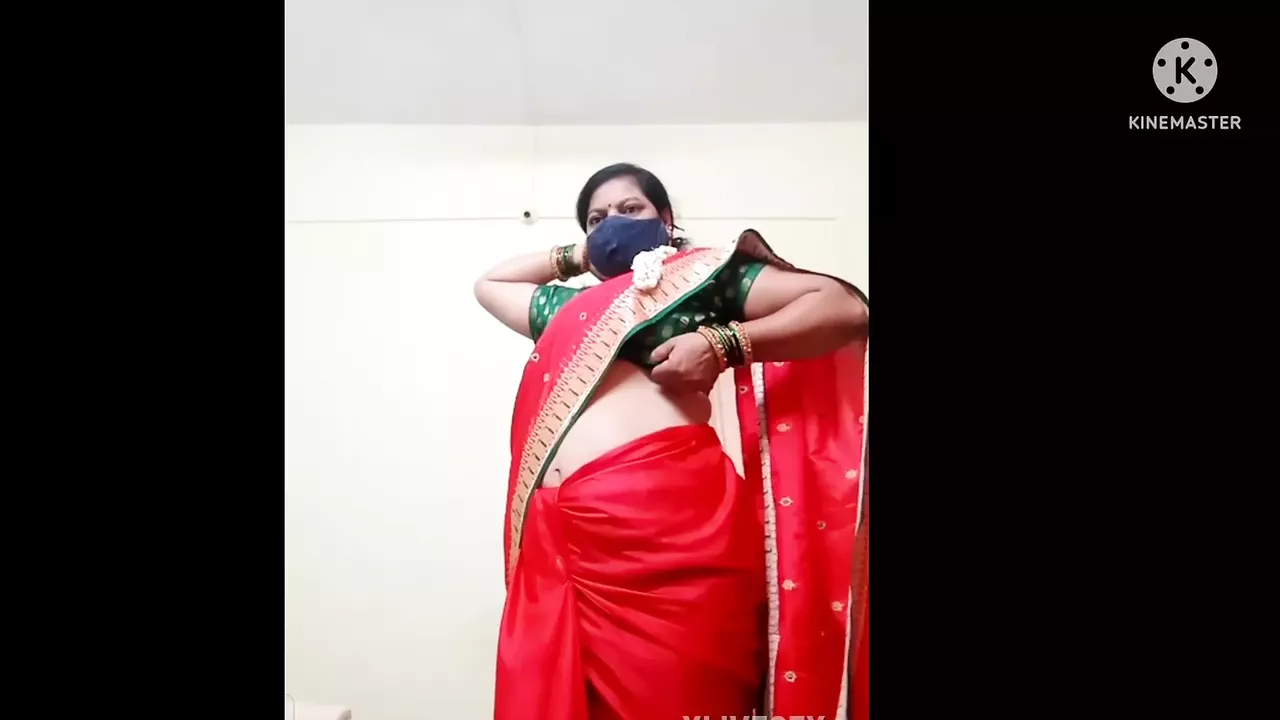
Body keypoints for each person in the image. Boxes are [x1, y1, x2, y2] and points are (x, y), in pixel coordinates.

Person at [474, 163, 869, 720]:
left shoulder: (703, 279)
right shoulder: (569, 311)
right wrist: (583, 255)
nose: (613, 222)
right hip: (561, 541)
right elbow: (490, 286)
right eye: (597, 218)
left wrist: (724, 343)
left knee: (679, 689)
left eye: (629, 209)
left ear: (664, 218)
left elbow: (842, 307)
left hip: (672, 526)